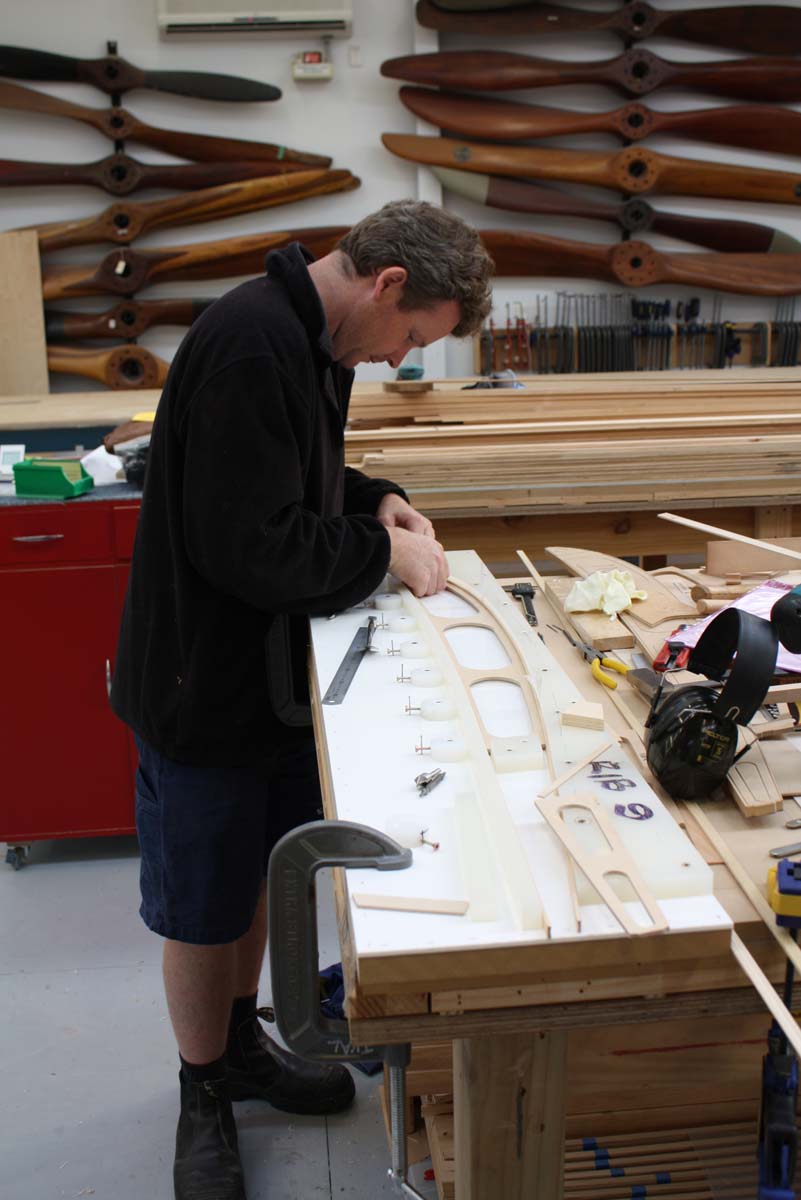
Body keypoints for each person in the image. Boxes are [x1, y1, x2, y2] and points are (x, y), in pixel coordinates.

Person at [110, 198, 493, 1200]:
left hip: (267, 684)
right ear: (388, 283)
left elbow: (289, 482)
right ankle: (201, 1093)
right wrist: (385, 555)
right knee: (204, 908)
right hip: (203, 686)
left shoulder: (315, 342)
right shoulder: (252, 345)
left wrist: (373, 498)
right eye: (411, 337)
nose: (400, 358)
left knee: (253, 880)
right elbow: (250, 546)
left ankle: (240, 1047)